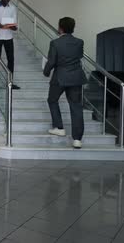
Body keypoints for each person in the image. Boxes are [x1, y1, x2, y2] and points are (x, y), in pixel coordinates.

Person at [43, 17, 87, 149]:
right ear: (72, 28)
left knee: (52, 99)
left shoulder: (55, 43)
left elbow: (51, 61)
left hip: (60, 77)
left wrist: (46, 72)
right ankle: (77, 139)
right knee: (76, 107)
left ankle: (59, 127)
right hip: (76, 77)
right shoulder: (79, 42)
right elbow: (79, 57)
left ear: (60, 28)